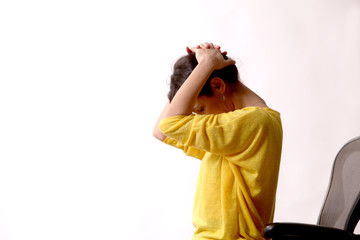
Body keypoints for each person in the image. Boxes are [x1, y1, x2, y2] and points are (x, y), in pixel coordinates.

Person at [153, 42, 283, 240]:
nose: (200, 117)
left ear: (218, 85)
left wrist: (205, 66)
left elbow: (169, 124)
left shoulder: (252, 123)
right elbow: (161, 132)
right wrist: (198, 70)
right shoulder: (234, 128)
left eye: (201, 109)